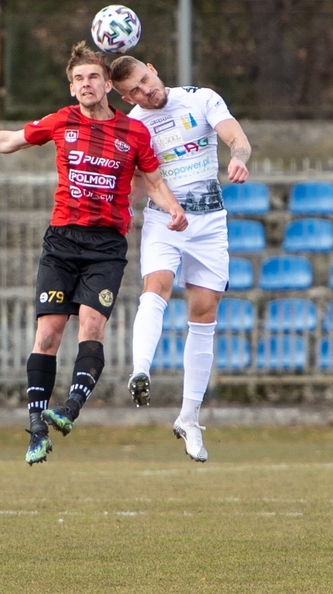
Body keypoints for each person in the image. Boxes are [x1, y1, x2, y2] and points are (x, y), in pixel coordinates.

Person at [0, 42, 187, 466]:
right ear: (71, 88)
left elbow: (153, 181)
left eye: (93, 77)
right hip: (62, 242)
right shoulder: (61, 122)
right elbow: (10, 139)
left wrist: (173, 208)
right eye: (79, 79)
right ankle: (37, 430)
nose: (86, 84)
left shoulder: (134, 132)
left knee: (91, 327)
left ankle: (69, 410)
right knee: (46, 335)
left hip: (106, 247)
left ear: (107, 85)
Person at [109, 56, 251, 462]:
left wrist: (239, 157)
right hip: (165, 220)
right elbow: (138, 179)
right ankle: (141, 370)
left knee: (204, 314)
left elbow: (235, 137)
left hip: (209, 221)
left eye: (144, 80)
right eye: (133, 91)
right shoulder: (135, 125)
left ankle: (189, 418)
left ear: (153, 68)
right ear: (123, 97)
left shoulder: (201, 99)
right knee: (158, 285)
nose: (144, 91)